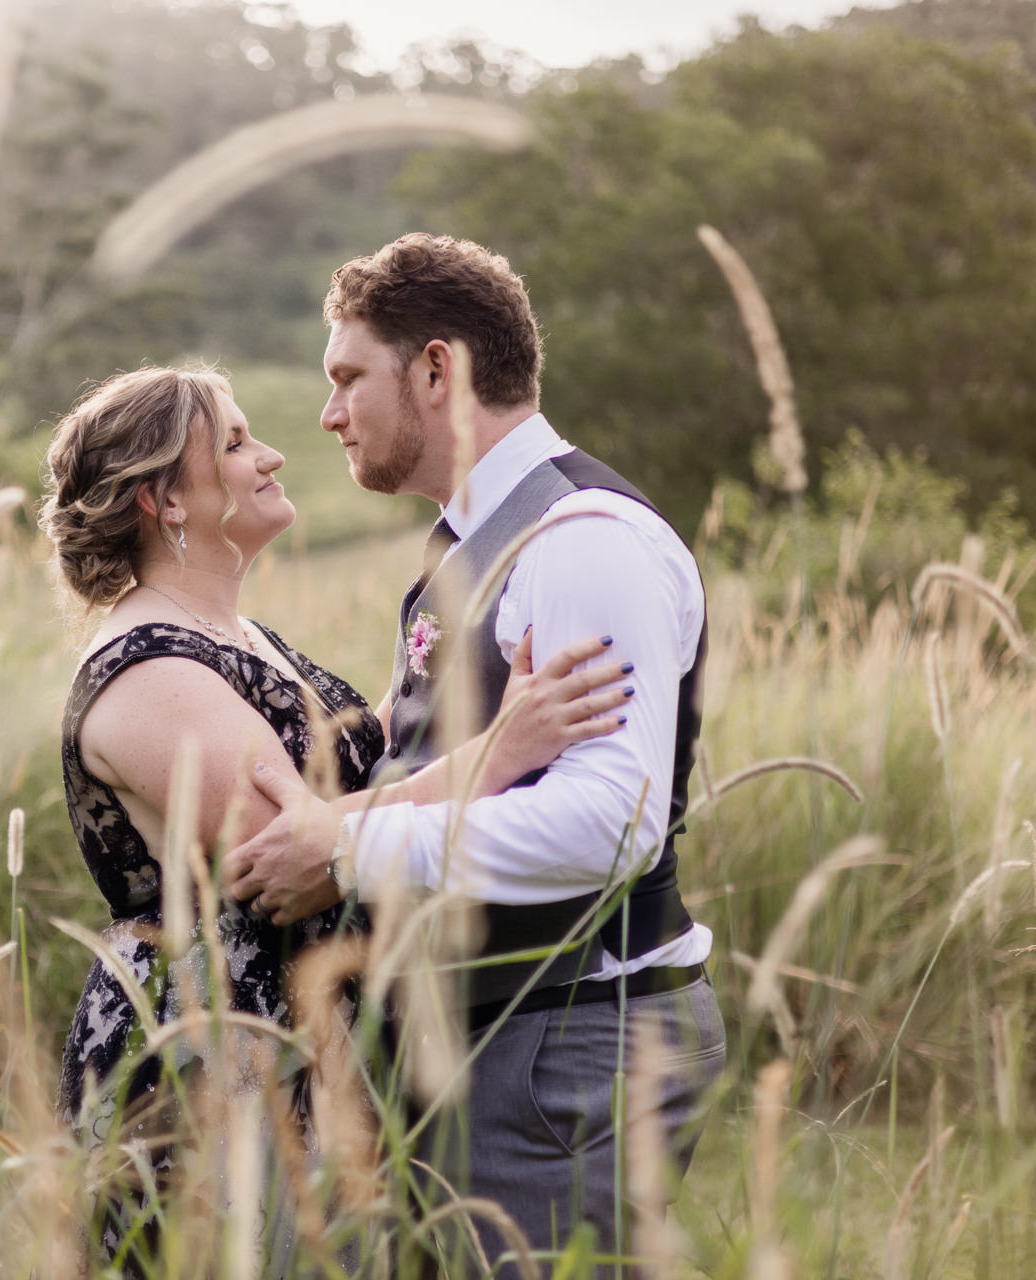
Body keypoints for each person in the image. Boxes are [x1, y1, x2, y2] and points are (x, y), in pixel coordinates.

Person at [36, 363, 636, 1263]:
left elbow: (359, 770)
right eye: (236, 444)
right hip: (211, 1071)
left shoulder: (239, 638)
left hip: (303, 1054)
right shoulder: (146, 669)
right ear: (164, 499)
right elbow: (301, 855)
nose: (272, 455)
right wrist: (501, 751)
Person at [222, 234, 726, 1277]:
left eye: (348, 377)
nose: (328, 413)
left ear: (438, 369)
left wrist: (351, 855)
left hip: (572, 1038)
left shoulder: (585, 539)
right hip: (500, 1034)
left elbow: (609, 825)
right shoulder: (468, 540)